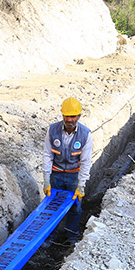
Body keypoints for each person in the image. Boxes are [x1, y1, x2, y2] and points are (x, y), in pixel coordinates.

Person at [42, 97, 92, 244]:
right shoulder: (52, 130)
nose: (69, 119)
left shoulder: (85, 135)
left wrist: (81, 186)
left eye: (73, 116)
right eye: (67, 115)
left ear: (79, 116)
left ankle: (72, 236)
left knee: (75, 208)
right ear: (62, 114)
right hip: (56, 176)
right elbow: (47, 155)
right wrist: (46, 181)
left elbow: (85, 161)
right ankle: (50, 237)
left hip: (74, 177)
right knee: (52, 206)